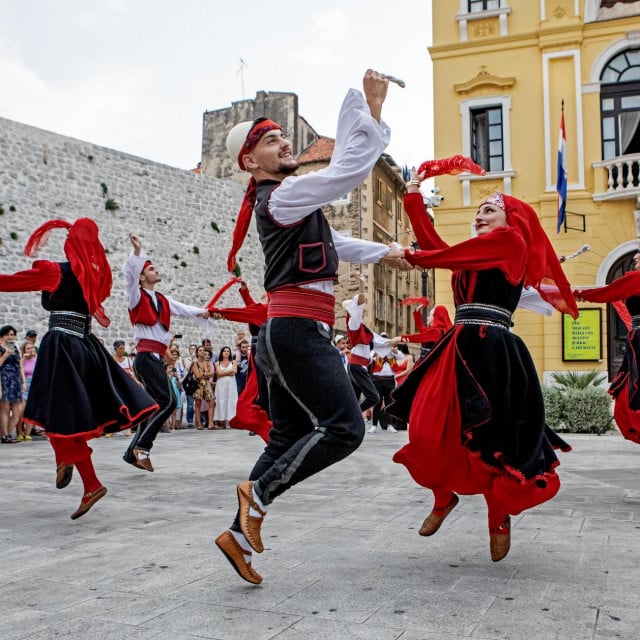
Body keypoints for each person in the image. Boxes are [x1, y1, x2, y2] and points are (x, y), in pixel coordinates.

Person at [214, 69, 412, 585]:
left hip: (287, 332)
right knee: (345, 429)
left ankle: (237, 536)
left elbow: (336, 245)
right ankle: (255, 496)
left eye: (281, 137)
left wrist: (387, 252)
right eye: (271, 140)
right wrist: (371, 109)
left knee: (288, 437)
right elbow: (346, 173)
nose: (283, 143)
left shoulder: (289, 201)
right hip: (297, 330)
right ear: (249, 161)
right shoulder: (280, 195)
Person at [388, 173, 578, 562]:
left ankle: (499, 516)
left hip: (492, 350)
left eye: (488, 210)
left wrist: (411, 256)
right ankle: (444, 496)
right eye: (478, 211)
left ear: (510, 221)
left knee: (494, 444)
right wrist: (412, 198)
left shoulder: (511, 242)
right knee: (425, 429)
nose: (479, 215)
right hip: (458, 346)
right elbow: (439, 248)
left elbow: (438, 255)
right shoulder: (475, 251)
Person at [0, 218, 158, 518]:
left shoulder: (55, 271)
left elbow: (11, 281)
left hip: (61, 345)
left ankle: (83, 475)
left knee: (60, 415)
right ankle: (66, 461)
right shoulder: (96, 277)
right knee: (69, 413)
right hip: (86, 346)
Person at [122, 233, 211, 472]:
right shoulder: (135, 296)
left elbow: (185, 309)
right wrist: (138, 252)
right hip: (144, 357)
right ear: (142, 277)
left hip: (154, 359)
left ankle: (133, 451)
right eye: (151, 269)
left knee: (157, 404)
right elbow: (129, 278)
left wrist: (205, 312)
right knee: (169, 401)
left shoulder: (163, 299)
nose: (156, 271)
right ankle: (142, 447)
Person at [572, 251, 640, 444]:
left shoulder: (636, 278)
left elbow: (608, 293)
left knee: (632, 392)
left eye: (639, 254)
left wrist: (578, 295)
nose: (635, 257)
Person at [341, 271, 381, 421]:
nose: (363, 311)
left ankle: (346, 417)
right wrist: (362, 283)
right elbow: (361, 301)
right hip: (357, 366)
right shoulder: (353, 322)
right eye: (360, 309)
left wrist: (397, 341)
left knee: (353, 397)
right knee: (374, 397)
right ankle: (353, 416)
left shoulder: (360, 325)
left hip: (358, 366)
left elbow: (378, 341)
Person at [0, 325, 25, 443]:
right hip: (4, 378)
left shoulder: (15, 347)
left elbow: (20, 365)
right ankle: (5, 435)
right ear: (3, 336)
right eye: (8, 335)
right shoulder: (1, 348)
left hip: (16, 379)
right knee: (4, 408)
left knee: (18, 409)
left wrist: (23, 381)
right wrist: (6, 354)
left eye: (12, 335)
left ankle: (8, 433)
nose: (10, 337)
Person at [213, 346, 238, 428]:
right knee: (221, 400)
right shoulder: (217, 363)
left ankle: (230, 420)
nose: (226, 352)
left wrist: (223, 373)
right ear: (222, 353)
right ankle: (222, 421)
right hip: (221, 385)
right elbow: (218, 373)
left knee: (231, 401)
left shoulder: (233, 362)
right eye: (224, 351)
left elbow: (234, 372)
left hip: (231, 385)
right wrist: (229, 372)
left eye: (228, 351)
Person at [191, 345, 215, 429]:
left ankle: (210, 423)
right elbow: (197, 376)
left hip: (207, 383)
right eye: (200, 350)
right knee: (198, 404)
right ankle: (199, 424)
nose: (202, 352)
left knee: (212, 402)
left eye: (203, 350)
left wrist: (204, 374)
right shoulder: (195, 363)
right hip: (198, 384)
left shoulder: (208, 363)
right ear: (197, 352)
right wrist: (206, 374)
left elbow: (212, 373)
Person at [19, 340, 37, 440]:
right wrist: (23, 359)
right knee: (22, 410)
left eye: (32, 348)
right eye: (28, 348)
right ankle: (20, 431)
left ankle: (28, 433)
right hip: (24, 384)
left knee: (31, 410)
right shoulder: (22, 360)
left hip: (34, 385)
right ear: (24, 350)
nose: (30, 350)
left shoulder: (37, 359)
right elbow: (19, 371)